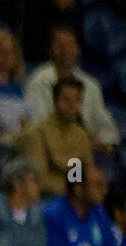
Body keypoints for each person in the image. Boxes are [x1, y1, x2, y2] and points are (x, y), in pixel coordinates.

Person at [24, 24, 119, 153]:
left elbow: (105, 125)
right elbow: (39, 124)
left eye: (70, 44)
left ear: (78, 48)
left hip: (90, 149)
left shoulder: (90, 84)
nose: (66, 50)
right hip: (54, 149)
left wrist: (106, 143)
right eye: (60, 45)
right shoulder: (38, 82)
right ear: (50, 49)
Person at [19, 77, 94, 198]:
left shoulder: (81, 135)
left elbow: (84, 174)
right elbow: (37, 178)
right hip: (45, 198)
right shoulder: (37, 132)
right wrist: (71, 190)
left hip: (73, 199)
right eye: (66, 100)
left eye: (77, 100)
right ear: (54, 100)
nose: (72, 105)